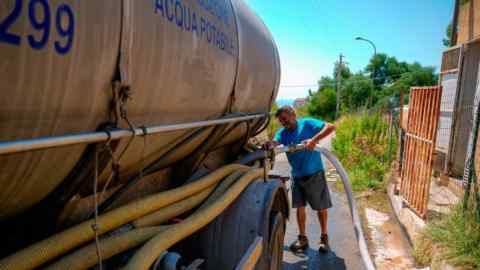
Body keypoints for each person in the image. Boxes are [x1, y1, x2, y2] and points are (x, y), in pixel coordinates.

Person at [271, 105, 336, 253]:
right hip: (297, 175)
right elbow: (275, 142)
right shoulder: (283, 133)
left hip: (314, 173)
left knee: (320, 207)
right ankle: (302, 238)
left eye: (285, 119)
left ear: (293, 115)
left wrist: (314, 140)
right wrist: (270, 144)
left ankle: (324, 238)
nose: (283, 123)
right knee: (299, 208)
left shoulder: (307, 123)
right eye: (281, 121)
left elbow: (331, 126)